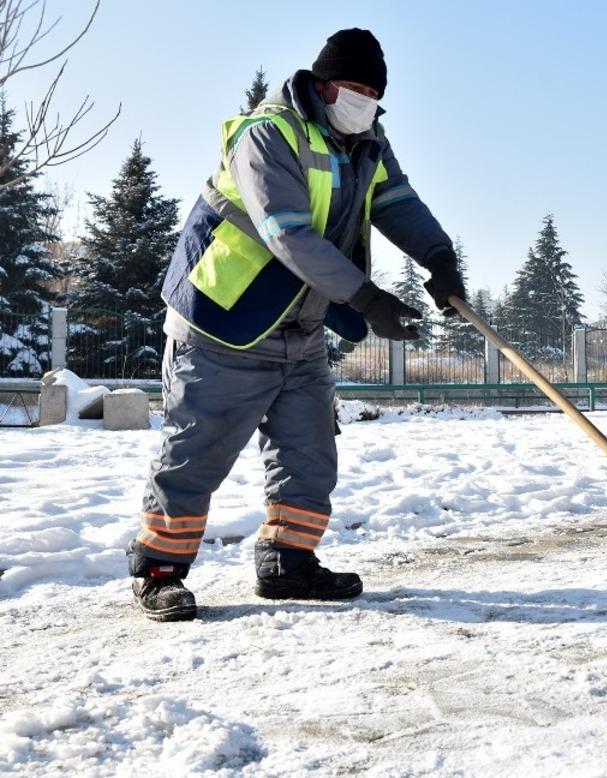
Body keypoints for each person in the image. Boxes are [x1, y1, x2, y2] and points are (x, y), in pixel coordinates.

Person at [129, 28, 465, 622]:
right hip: (224, 323)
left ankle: (288, 562)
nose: (364, 100)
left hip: (302, 330)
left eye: (373, 92)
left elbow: (399, 205)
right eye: (354, 87)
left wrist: (440, 260)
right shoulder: (268, 134)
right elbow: (287, 232)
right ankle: (159, 571)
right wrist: (367, 299)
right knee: (196, 451)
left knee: (309, 453)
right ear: (323, 83)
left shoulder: (365, 143)